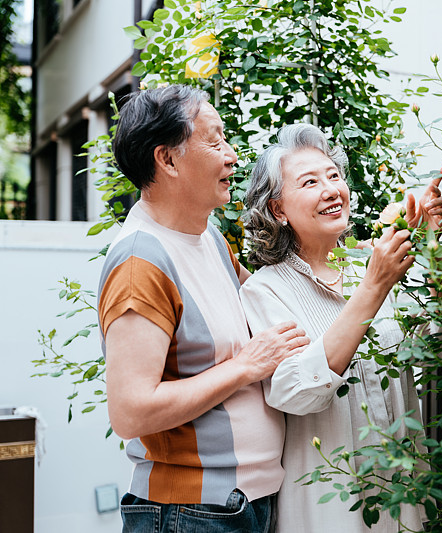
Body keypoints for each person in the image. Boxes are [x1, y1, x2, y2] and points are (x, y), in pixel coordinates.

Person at [98, 85, 310, 533]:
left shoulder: (208, 237)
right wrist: (243, 367)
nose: (232, 155)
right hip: (191, 512)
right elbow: (131, 411)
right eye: (214, 141)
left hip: (241, 504)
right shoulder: (141, 264)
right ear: (168, 160)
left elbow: (278, 303)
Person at [239, 123, 442, 532]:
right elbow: (297, 392)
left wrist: (433, 246)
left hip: (402, 499)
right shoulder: (266, 290)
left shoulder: (370, 265)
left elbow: (436, 346)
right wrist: (374, 286)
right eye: (310, 182)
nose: (331, 189)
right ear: (278, 209)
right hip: (330, 511)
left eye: (334, 175)